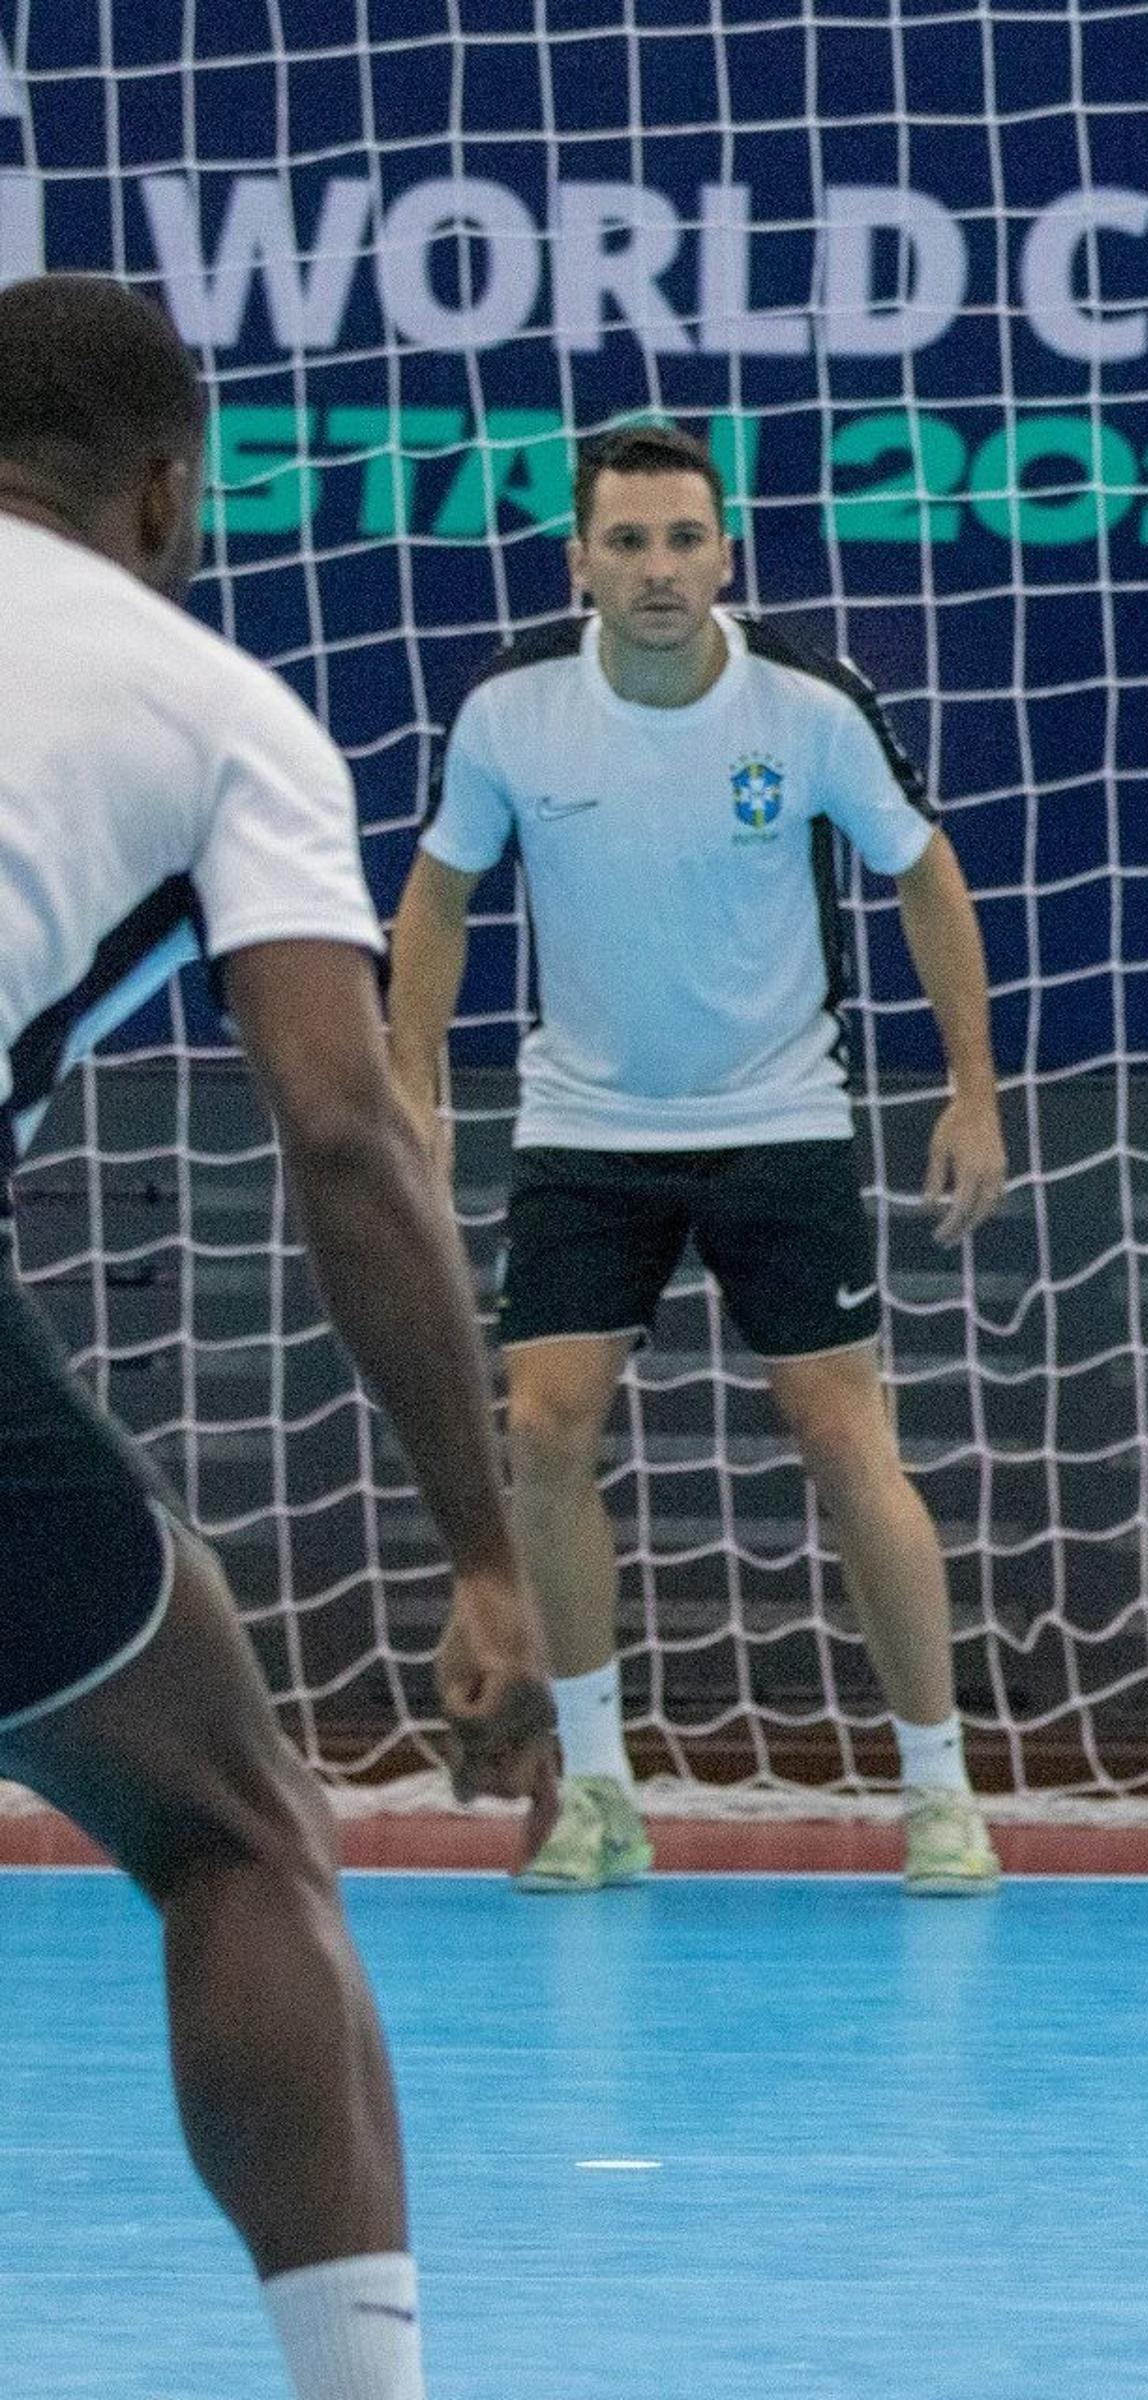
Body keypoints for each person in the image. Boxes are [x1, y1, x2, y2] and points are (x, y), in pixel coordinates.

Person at [0, 273, 555, 2400]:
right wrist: (484, 1552)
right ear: (161, 490)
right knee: (234, 1829)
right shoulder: (220, 709)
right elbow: (347, 1130)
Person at [386, 422, 1013, 1896]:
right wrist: (410, 1085)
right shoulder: (511, 712)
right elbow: (435, 900)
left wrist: (974, 1092)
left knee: (844, 1437)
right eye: (628, 543)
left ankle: (940, 1792)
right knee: (542, 1431)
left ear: (726, 555)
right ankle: (599, 1788)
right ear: (580, 565)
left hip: (782, 1116)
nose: (658, 570)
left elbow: (926, 873)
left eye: (684, 541)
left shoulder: (806, 705)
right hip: (587, 1130)